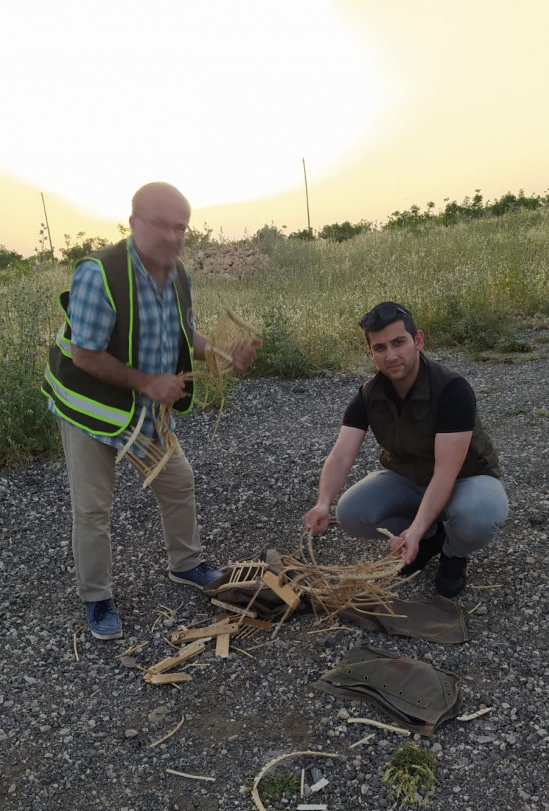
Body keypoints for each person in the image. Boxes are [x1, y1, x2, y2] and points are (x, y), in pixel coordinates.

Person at [43, 182, 258, 639]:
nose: (173, 236)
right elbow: (85, 356)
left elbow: (185, 336)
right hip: (90, 409)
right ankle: (97, 599)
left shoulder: (178, 275)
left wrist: (221, 353)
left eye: (181, 227)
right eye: (162, 225)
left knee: (178, 481)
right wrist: (147, 381)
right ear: (134, 221)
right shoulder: (98, 274)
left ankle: (185, 565)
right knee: (94, 508)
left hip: (143, 410)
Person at [302, 301, 508, 597]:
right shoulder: (368, 395)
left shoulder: (452, 389)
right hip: (410, 479)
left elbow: (446, 472)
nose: (391, 356)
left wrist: (418, 524)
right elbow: (342, 454)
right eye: (380, 348)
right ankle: (430, 539)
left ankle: (453, 552)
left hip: (465, 479)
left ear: (418, 340)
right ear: (370, 353)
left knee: (479, 513)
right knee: (350, 512)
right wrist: (323, 502)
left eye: (399, 342)